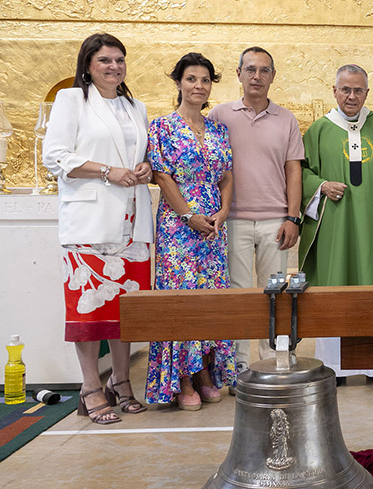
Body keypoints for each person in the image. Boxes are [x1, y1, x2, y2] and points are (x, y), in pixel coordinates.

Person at [42, 32, 153, 425]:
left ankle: (122, 382)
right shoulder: (72, 101)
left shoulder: (134, 106)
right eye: (105, 60)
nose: (114, 66)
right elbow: (55, 156)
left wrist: (145, 169)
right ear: (88, 64)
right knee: (89, 310)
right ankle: (90, 387)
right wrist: (108, 171)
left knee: (125, 312)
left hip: (132, 223)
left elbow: (141, 157)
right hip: (89, 220)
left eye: (119, 59)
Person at [299, 64, 373, 386]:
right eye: (345, 89)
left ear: (367, 93)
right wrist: (321, 186)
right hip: (337, 229)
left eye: (358, 90)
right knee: (337, 288)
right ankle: (335, 367)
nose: (351, 96)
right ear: (334, 91)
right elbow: (301, 174)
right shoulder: (318, 130)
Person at [145, 53, 236, 410]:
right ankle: (182, 380)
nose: (198, 86)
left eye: (205, 80)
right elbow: (161, 175)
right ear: (179, 83)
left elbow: (226, 174)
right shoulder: (162, 126)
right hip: (178, 226)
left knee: (210, 299)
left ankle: (204, 373)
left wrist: (224, 210)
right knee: (181, 300)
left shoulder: (218, 129)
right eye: (191, 79)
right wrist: (187, 216)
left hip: (214, 226)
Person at [208, 47, 304, 374]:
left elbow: (294, 171)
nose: (257, 76)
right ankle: (238, 368)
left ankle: (270, 363)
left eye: (264, 70)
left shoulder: (286, 119)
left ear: (273, 77)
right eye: (250, 69)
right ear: (238, 74)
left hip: (275, 221)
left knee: (273, 293)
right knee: (238, 295)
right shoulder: (220, 115)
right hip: (232, 219)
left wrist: (293, 217)